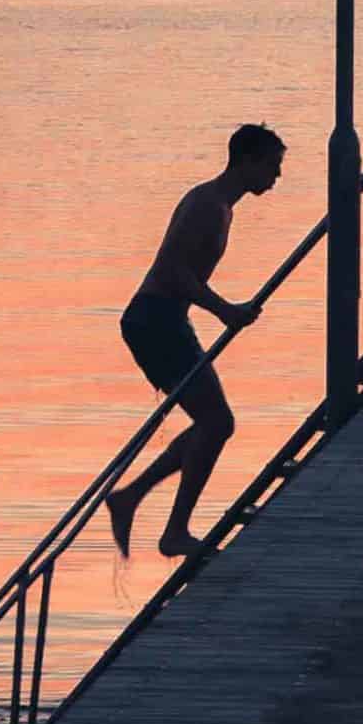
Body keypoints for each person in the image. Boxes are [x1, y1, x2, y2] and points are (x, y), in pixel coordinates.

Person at [105, 124, 283, 559]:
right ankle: (172, 530)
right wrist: (225, 310)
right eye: (272, 167)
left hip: (167, 319)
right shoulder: (207, 204)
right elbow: (173, 272)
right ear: (247, 161)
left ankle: (132, 499)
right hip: (155, 320)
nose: (276, 178)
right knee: (217, 422)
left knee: (214, 422)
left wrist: (224, 309)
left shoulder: (223, 206)